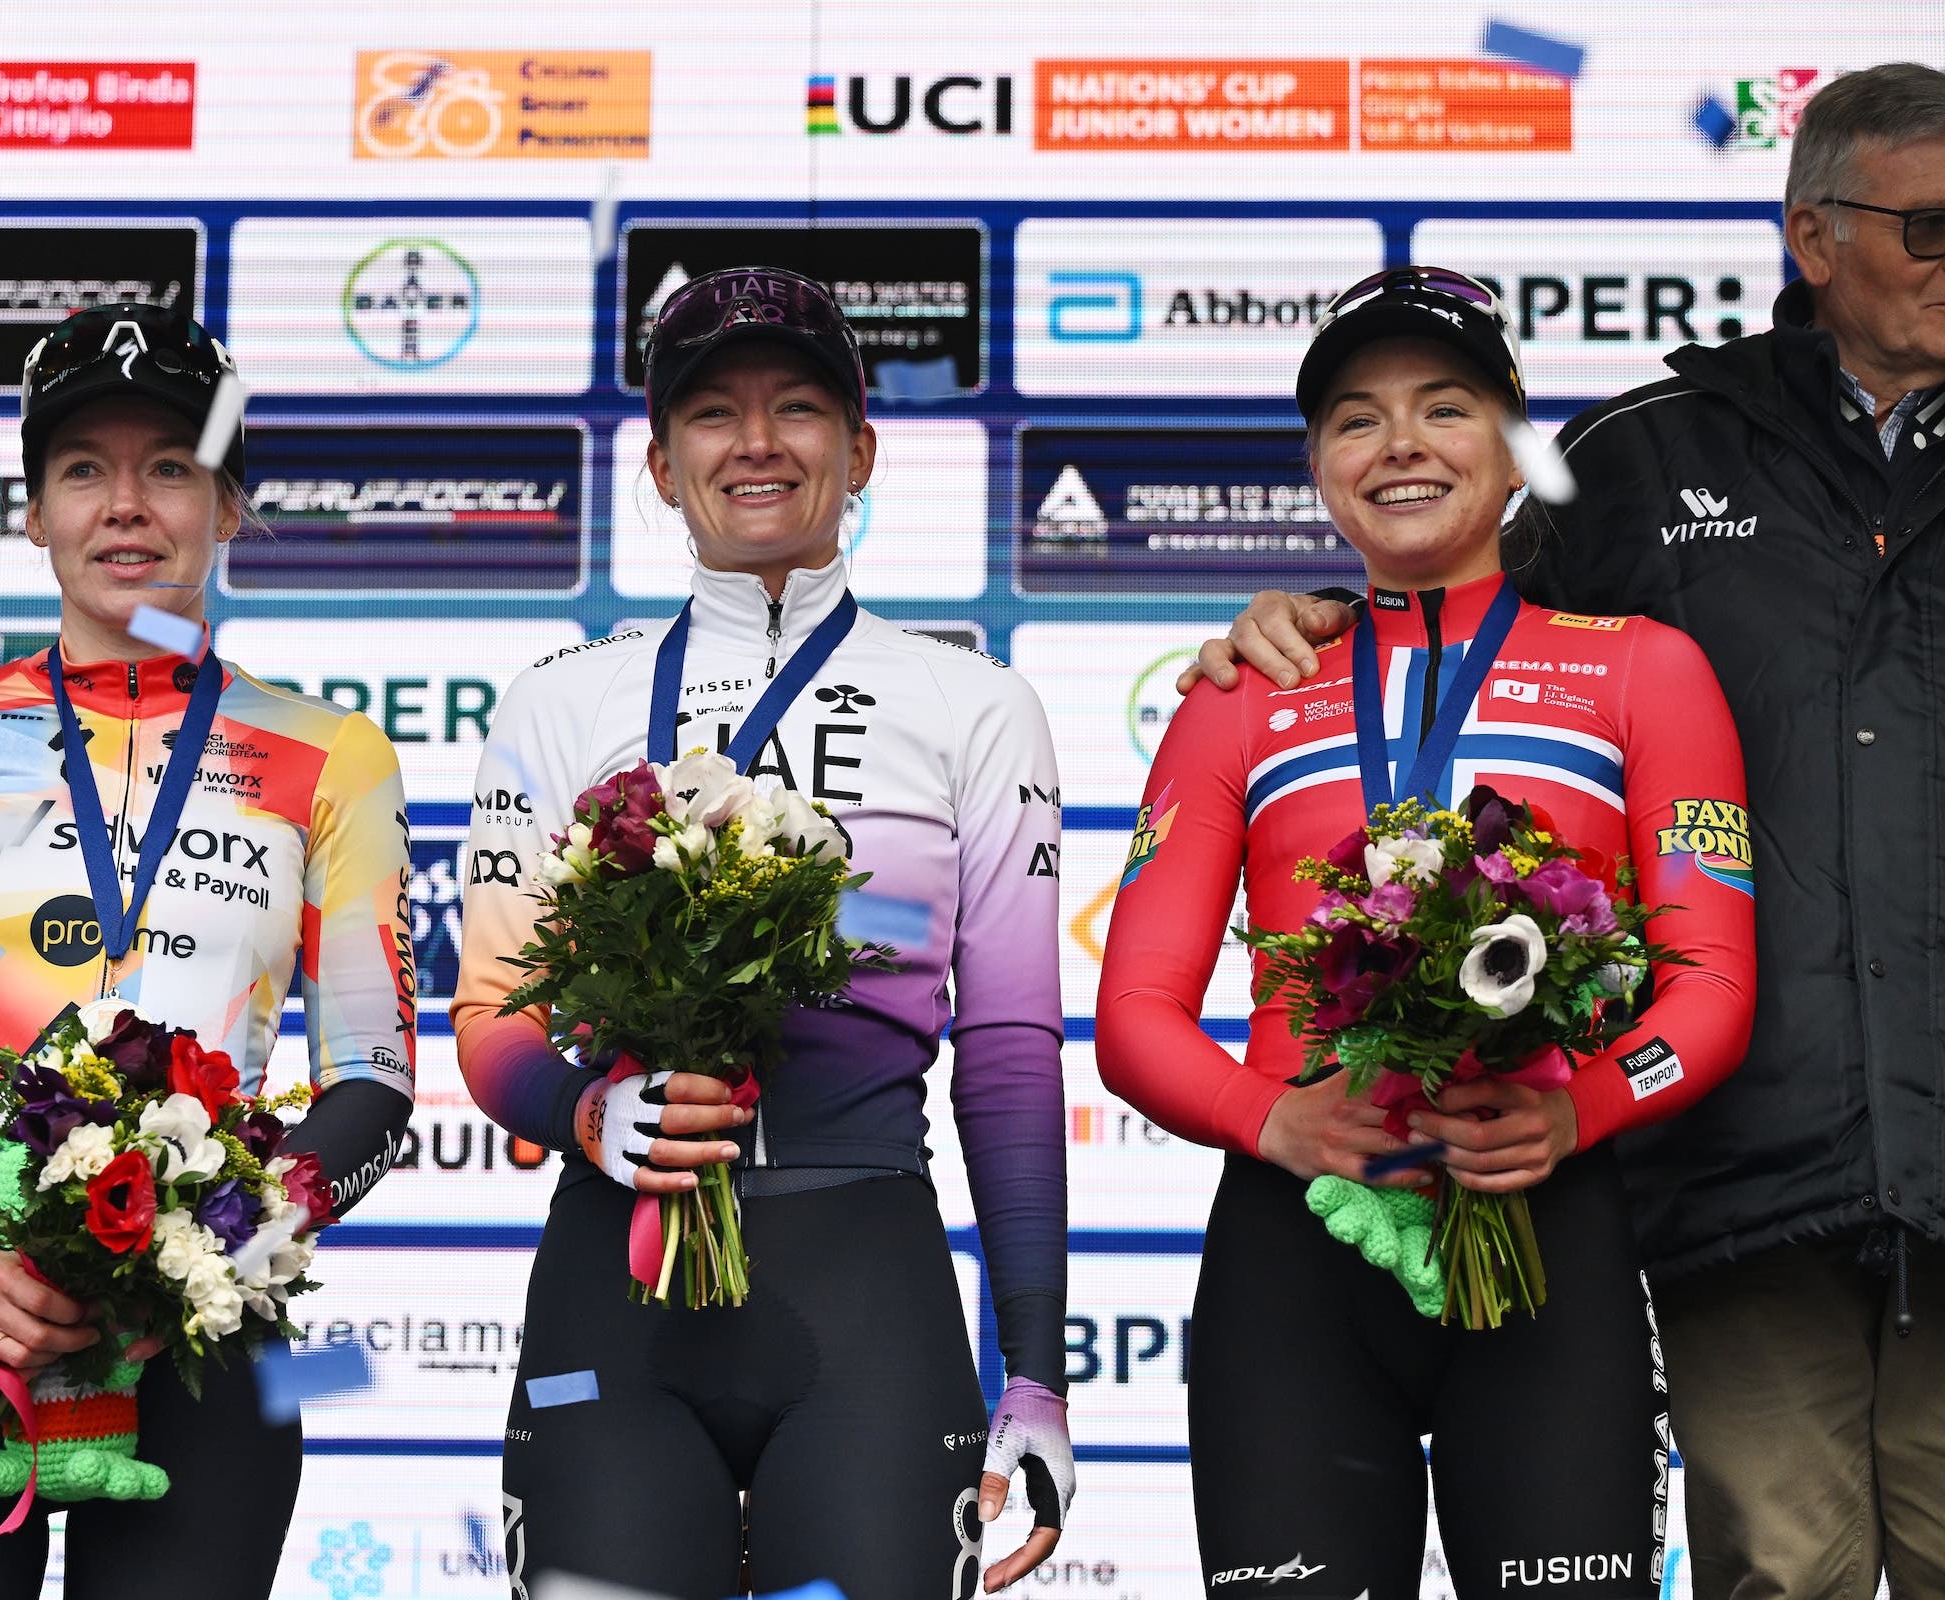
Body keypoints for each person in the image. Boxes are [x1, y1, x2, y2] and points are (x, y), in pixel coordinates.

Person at [1179, 64, 1945, 1600]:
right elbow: (1450, 577)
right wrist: (1300, 621)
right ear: (1813, 234)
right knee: (1780, 1574)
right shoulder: (1650, 450)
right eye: (1929, 225)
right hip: (1756, 1167)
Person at [1096, 267, 1758, 1598]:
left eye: (1444, 407)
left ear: (1514, 450)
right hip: (1298, 1255)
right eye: (1355, 417)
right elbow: (1133, 1019)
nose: (1398, 444)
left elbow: (1713, 987)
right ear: (1319, 468)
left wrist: (1577, 1109)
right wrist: (1274, 1122)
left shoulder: (1641, 668)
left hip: (1550, 1229)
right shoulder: (1240, 693)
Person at [452, 266, 1072, 1600]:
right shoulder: (564, 701)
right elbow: (490, 1015)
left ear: (859, 450)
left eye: (797, 407)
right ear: (664, 466)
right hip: (613, 1289)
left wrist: (1034, 1369)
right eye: (712, 413)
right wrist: (578, 1113)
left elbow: (1012, 1051)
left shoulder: (974, 704)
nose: (756, 442)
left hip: (870, 1303)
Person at [0, 302, 416, 1599]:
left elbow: (374, 1074)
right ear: (33, 512)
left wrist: (222, 1248)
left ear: (231, 506)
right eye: (84, 468)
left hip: (206, 1335)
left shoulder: (332, 755)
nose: (126, 504)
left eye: (172, 466)